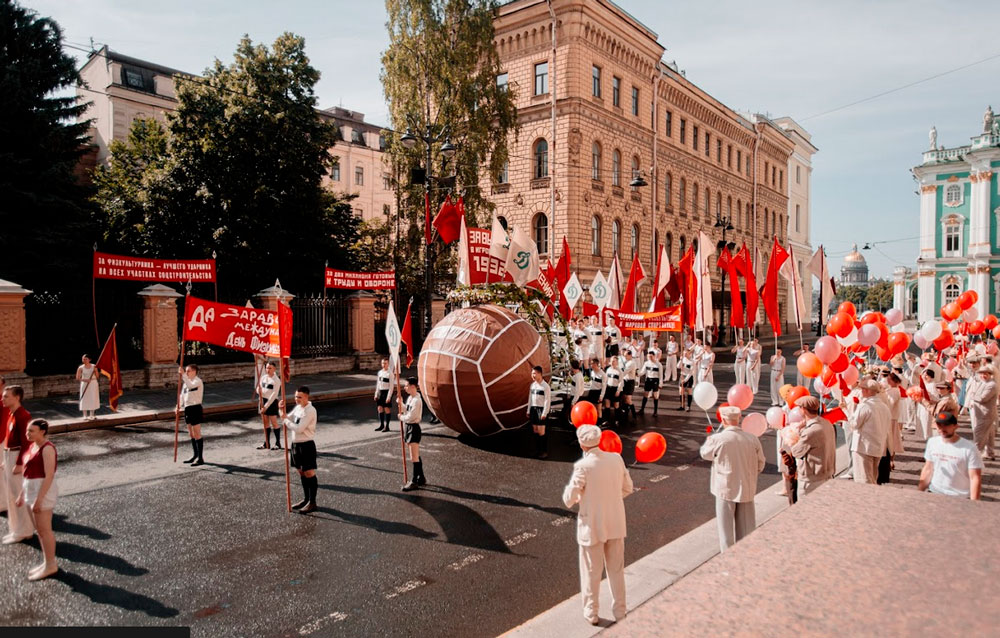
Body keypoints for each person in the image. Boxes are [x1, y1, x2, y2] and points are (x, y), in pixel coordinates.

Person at [561, 424, 634, 626]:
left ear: (581, 444)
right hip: (615, 523)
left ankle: (591, 612)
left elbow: (568, 499)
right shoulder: (616, 459)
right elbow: (628, 488)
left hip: (592, 526)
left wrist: (582, 498)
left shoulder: (582, 466)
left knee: (591, 572)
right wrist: (610, 498)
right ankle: (620, 611)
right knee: (616, 570)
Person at [700, 406, 766, 552]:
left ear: (723, 420)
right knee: (747, 530)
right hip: (746, 487)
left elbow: (705, 454)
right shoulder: (752, 438)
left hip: (725, 488)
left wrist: (709, 440)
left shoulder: (718, 439)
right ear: (739, 419)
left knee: (726, 533)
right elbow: (761, 463)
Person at [14, 419, 58, 580]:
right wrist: (22, 494)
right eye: (27, 430)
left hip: (42, 491)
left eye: (31, 431)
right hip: (30, 489)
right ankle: (47, 562)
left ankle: (51, 565)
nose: (28, 434)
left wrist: (39, 500)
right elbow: (27, 473)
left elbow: (49, 476)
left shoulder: (48, 449)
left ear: (42, 432)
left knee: (44, 530)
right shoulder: (32, 446)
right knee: (39, 530)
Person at [918, 412, 982, 500]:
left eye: (946, 425)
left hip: (959, 497)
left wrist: (974, 503)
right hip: (935, 492)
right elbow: (928, 469)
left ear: (956, 426)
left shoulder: (970, 448)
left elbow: (975, 477)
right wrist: (919, 493)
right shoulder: (932, 442)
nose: (942, 428)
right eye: (939, 425)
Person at [2, 385, 34, 544]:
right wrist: (5, 459)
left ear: (17, 397)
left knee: (18, 496)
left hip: (16, 456)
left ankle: (24, 530)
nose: (3, 399)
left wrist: (20, 463)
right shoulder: (12, 413)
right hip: (9, 455)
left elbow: (27, 443)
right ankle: (17, 529)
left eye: (6, 396)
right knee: (11, 495)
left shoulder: (23, 416)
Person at [787, 397, 836, 496]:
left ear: (804, 410)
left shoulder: (811, 431)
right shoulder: (827, 423)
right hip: (827, 473)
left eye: (799, 407)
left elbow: (796, 452)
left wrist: (796, 434)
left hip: (812, 480)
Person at [848, 379, 891, 484]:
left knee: (863, 479)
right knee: (873, 477)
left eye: (862, 389)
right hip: (878, 446)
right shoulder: (884, 407)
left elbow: (854, 424)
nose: (861, 391)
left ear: (866, 390)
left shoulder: (865, 406)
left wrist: (846, 412)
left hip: (863, 447)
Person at [283, 386, 318, 512]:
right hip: (296, 445)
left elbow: (299, 429)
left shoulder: (310, 410)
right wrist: (281, 410)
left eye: (299, 397)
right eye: (295, 396)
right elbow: (287, 417)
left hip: (306, 445)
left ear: (306, 397)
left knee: (309, 473)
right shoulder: (298, 407)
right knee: (301, 472)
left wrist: (285, 420)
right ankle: (306, 499)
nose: (296, 399)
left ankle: (312, 502)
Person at [399, 377, 426, 491]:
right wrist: (401, 403)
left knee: (414, 456)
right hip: (408, 427)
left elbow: (411, 416)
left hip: (413, 428)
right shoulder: (410, 398)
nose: (405, 387)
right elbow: (407, 410)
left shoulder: (417, 401)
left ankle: (414, 481)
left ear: (413, 386)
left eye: (406, 385)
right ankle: (421, 477)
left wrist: (401, 417)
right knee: (415, 455)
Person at [966, 366, 997, 460]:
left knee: (979, 434)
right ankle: (990, 453)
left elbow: (982, 398)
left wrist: (972, 396)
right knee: (989, 434)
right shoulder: (982, 382)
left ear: (990, 374)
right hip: (981, 413)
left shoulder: (991, 385)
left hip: (986, 414)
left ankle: (975, 454)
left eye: (985, 374)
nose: (983, 375)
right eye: (982, 374)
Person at [177, 364, 206, 466]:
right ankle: (195, 455)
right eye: (186, 371)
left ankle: (200, 458)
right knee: (191, 433)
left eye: (188, 371)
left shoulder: (197, 381)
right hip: (188, 408)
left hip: (195, 408)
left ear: (194, 371)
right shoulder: (186, 383)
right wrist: (178, 406)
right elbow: (182, 396)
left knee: (197, 433)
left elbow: (190, 386)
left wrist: (183, 375)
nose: (186, 372)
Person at [527, 366, 552, 459]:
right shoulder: (532, 385)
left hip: (541, 410)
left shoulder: (545, 386)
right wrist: (528, 410)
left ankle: (544, 451)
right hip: (533, 409)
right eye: (532, 373)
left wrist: (544, 413)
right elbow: (530, 399)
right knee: (535, 430)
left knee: (541, 432)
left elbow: (547, 401)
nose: (532, 375)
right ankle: (537, 450)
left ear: (540, 374)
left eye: (534, 373)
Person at [257, 361, 282, 448]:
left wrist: (266, 406)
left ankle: (277, 443)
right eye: (267, 368)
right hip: (262, 400)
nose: (268, 370)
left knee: (274, 422)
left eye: (270, 368)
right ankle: (266, 443)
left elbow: (274, 395)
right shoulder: (263, 378)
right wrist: (258, 391)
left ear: (274, 369)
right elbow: (258, 388)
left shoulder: (276, 380)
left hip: (271, 402)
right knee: (265, 423)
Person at [373, 357, 396, 433]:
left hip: (387, 392)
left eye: (385, 363)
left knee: (386, 409)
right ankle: (381, 425)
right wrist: (376, 394)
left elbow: (391, 387)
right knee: (380, 408)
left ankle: (387, 426)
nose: (384, 365)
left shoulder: (390, 374)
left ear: (388, 364)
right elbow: (378, 384)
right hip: (380, 391)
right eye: (383, 363)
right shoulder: (380, 372)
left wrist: (389, 397)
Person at [76, 354, 99, 421]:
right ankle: (85, 415)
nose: (84, 360)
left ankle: (92, 415)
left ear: (89, 359)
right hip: (85, 384)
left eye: (86, 359)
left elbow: (97, 376)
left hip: (93, 384)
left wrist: (95, 371)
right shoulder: (80, 367)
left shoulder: (94, 366)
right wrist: (85, 380)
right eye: (83, 359)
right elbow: (77, 378)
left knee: (93, 398)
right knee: (85, 398)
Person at [602, 357, 622, 427]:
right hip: (608, 388)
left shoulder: (619, 371)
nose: (613, 362)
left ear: (617, 362)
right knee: (607, 405)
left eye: (614, 361)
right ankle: (607, 420)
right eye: (611, 361)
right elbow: (606, 380)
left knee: (616, 405)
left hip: (615, 389)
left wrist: (618, 390)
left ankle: (617, 420)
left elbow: (621, 382)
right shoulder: (608, 370)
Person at [620, 350, 638, 422]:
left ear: (630, 355)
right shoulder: (626, 362)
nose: (625, 357)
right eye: (624, 356)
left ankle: (634, 415)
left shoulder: (631, 363)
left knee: (628, 399)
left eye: (626, 356)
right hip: (625, 381)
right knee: (624, 398)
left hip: (630, 382)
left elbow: (624, 372)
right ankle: (625, 414)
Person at [678, 347, 695, 411]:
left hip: (688, 377)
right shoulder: (683, 359)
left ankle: (688, 406)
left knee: (689, 391)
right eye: (684, 353)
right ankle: (682, 405)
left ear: (689, 354)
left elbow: (690, 372)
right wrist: (680, 360)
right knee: (681, 391)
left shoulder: (692, 361)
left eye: (686, 353)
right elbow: (678, 366)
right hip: (682, 375)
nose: (685, 355)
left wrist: (685, 380)